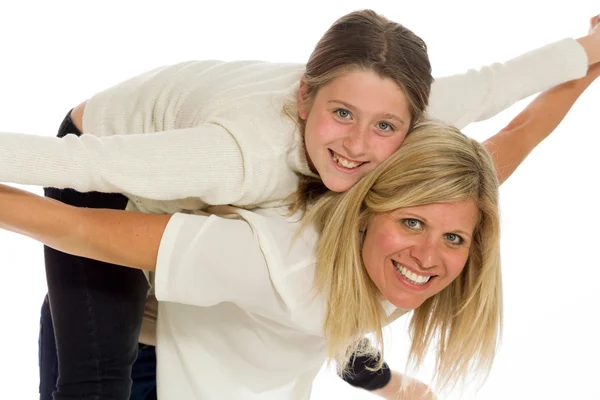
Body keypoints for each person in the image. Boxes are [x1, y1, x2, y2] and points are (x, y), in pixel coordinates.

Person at [1, 9, 598, 400]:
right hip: (102, 161)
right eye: (412, 224)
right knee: (94, 382)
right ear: (308, 99)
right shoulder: (246, 175)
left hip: (227, 281)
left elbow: (510, 111)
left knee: (331, 309)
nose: (360, 145)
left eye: (452, 237)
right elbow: (78, 182)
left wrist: (587, 55)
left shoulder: (417, 167)